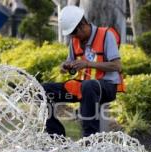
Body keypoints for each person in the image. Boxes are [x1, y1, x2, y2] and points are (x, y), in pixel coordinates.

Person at [43, 5, 125, 138]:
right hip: (82, 87)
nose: (73, 37)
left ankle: (89, 140)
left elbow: (117, 66)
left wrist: (88, 63)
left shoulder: (106, 35)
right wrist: (65, 67)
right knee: (43, 90)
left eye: (74, 33)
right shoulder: (74, 40)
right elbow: (69, 64)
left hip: (107, 87)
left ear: (82, 24)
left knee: (88, 86)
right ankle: (56, 136)